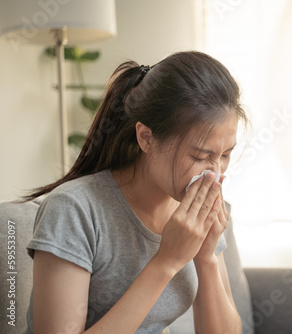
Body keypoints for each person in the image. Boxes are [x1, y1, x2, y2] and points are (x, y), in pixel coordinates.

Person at [23, 51, 248, 333]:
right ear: (146, 138)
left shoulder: (201, 212)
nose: (215, 173)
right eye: (200, 157)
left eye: (225, 154)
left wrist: (206, 256)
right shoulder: (73, 210)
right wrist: (166, 261)